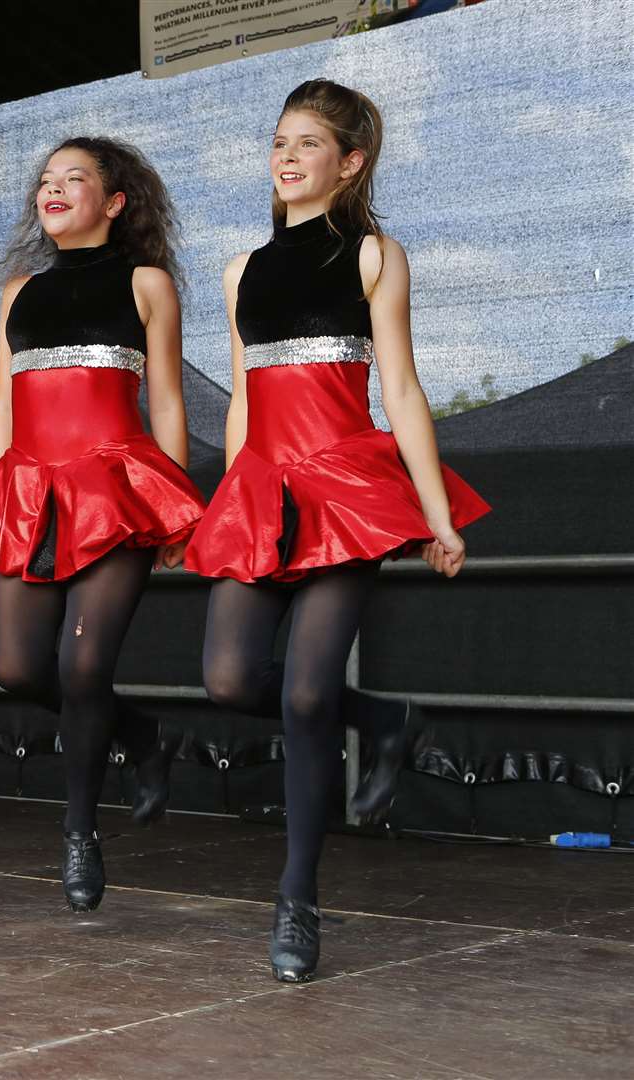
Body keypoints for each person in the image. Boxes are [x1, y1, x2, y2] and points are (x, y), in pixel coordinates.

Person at [184, 80, 489, 981]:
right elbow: (243, 401)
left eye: (308, 143)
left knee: (309, 695)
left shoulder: (372, 256)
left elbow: (400, 388)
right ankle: (387, 721)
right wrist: (229, 504)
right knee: (231, 677)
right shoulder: (244, 271)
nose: (286, 156)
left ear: (349, 162)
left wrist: (436, 517)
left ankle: (297, 899)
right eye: (279, 141)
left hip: (349, 489)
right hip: (263, 488)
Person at [0, 136, 205, 912]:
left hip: (119, 489)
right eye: (45, 180)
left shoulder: (146, 284)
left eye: (75, 179)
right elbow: (4, 405)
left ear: (115, 202)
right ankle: (142, 733)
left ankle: (79, 833)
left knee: (82, 668)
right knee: (16, 669)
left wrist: (175, 509)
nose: (53, 189)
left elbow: (167, 402)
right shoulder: (18, 291)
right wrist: (1, 495)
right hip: (30, 491)